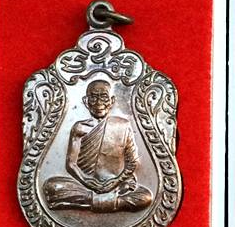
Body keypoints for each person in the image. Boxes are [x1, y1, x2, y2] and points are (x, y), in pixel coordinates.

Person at [43, 80, 153, 213]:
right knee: (52, 186)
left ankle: (87, 202)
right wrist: (86, 180)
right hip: (84, 184)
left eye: (104, 97)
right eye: (93, 97)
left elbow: (133, 162)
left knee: (145, 197)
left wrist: (115, 181)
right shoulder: (80, 128)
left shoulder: (123, 125)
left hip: (117, 185)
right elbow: (71, 164)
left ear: (112, 101)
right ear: (86, 101)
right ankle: (111, 202)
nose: (98, 103)